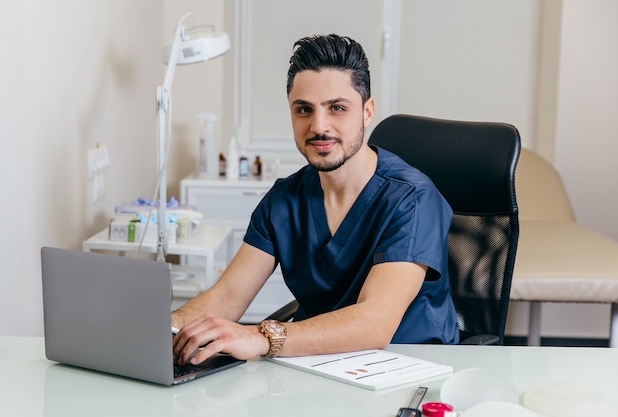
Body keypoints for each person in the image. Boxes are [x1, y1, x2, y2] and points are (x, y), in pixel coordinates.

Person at [172, 34, 459, 365]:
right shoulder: (285, 199)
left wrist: (259, 336)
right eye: (304, 109)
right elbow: (226, 296)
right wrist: (166, 329)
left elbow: (375, 322)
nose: (319, 126)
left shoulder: (411, 199)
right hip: (319, 363)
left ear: (368, 112)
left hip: (407, 366)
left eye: (337, 108)